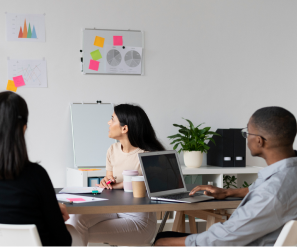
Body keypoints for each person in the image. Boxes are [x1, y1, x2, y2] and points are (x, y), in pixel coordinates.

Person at [154, 106, 297, 247]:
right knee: (165, 236)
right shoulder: (287, 174)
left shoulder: (271, 193)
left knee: (162, 239)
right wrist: (227, 192)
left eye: (248, 133)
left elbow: (224, 239)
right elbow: (260, 189)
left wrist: (165, 243)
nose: (246, 139)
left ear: (259, 141)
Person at [0, 91, 80, 247]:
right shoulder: (36, 176)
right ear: (23, 128)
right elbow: (63, 241)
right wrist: (52, 212)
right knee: (75, 234)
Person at [68, 104, 164, 246]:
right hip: (113, 209)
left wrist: (119, 185)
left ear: (124, 128)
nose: (109, 122)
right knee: (74, 219)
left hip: (139, 220)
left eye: (112, 119)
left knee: (73, 231)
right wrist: (106, 182)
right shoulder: (112, 150)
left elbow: (154, 186)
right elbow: (110, 182)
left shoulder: (149, 155)